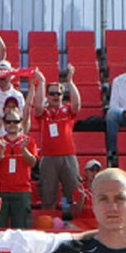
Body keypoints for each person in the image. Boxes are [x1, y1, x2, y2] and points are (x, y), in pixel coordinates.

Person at [31, 68, 81, 218]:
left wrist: (70, 81)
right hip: (48, 157)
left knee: (75, 196)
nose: (55, 96)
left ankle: (77, 224)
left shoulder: (67, 110)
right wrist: (42, 82)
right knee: (48, 197)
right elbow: (38, 106)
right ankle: (49, 226)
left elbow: (77, 104)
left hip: (68, 156)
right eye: (51, 93)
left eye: (58, 93)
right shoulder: (44, 113)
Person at [0, 110, 38, 229]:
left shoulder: (29, 141)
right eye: (8, 122)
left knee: (21, 229)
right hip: (1, 191)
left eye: (16, 121)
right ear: (4, 124)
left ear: (21, 123)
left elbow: (33, 163)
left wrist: (24, 150)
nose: (12, 124)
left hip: (22, 191)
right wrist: (0, 151)